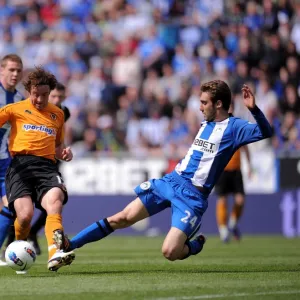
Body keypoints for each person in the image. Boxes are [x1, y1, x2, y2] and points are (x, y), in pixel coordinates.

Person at [57, 80, 272, 262]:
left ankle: (195, 246)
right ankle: (70, 244)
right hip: (172, 182)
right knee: (121, 218)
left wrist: (253, 109)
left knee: (169, 252)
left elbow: (266, 131)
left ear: (218, 104)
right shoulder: (205, 122)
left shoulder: (234, 128)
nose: (200, 107)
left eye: (204, 103)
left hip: (192, 197)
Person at [0, 67, 75, 271]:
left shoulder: (58, 115)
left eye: (44, 95)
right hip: (20, 167)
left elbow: (57, 147)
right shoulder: (14, 109)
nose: (40, 99)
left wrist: (65, 154)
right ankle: (17, 247)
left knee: (55, 201)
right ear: (28, 91)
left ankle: (55, 253)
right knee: (24, 216)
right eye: (35, 95)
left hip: (46, 167)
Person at [27, 82, 70, 255]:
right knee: (22, 207)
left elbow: (59, 135)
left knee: (54, 204)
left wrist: (63, 151)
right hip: (29, 162)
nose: (57, 100)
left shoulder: (63, 112)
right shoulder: (32, 108)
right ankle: (12, 242)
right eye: (54, 96)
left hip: (51, 162)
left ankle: (33, 233)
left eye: (60, 97)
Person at [0, 54, 24, 266]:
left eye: (18, 70)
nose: (15, 74)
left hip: (4, 163)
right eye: (11, 70)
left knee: (11, 207)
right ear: (1, 70)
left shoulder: (20, 100)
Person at [215, 145, 251, 243]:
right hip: (222, 171)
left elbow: (246, 148)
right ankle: (223, 230)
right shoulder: (221, 134)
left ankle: (233, 223)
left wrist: (249, 166)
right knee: (222, 200)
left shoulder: (239, 133)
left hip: (236, 171)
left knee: (240, 200)